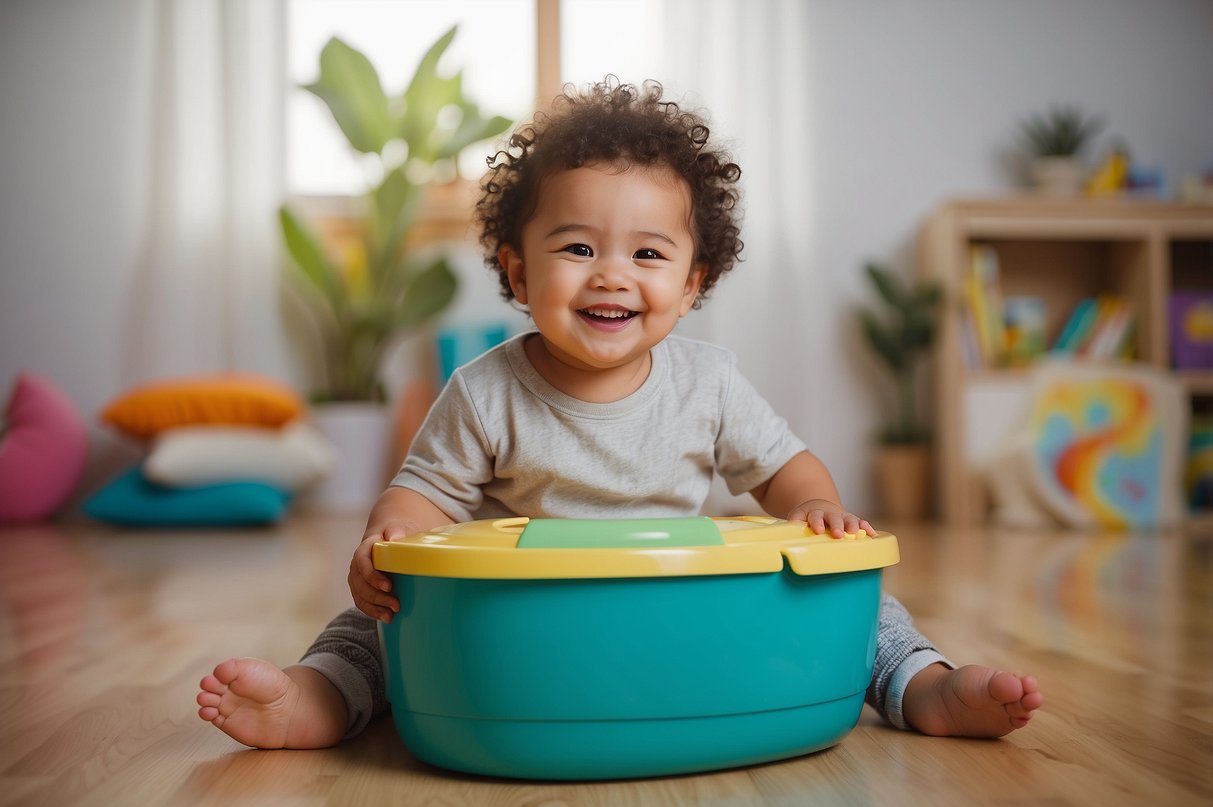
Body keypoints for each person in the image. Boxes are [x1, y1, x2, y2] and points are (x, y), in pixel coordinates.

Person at [198, 79, 1042, 751]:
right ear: (518, 273)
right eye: (575, 248)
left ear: (692, 282)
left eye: (647, 253)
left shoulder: (709, 382)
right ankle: (318, 698)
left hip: (674, 603)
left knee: (853, 591)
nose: (610, 275)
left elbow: (784, 467)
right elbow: (422, 493)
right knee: (376, 618)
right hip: (524, 620)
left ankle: (922, 686)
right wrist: (387, 542)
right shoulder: (484, 390)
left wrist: (812, 508)